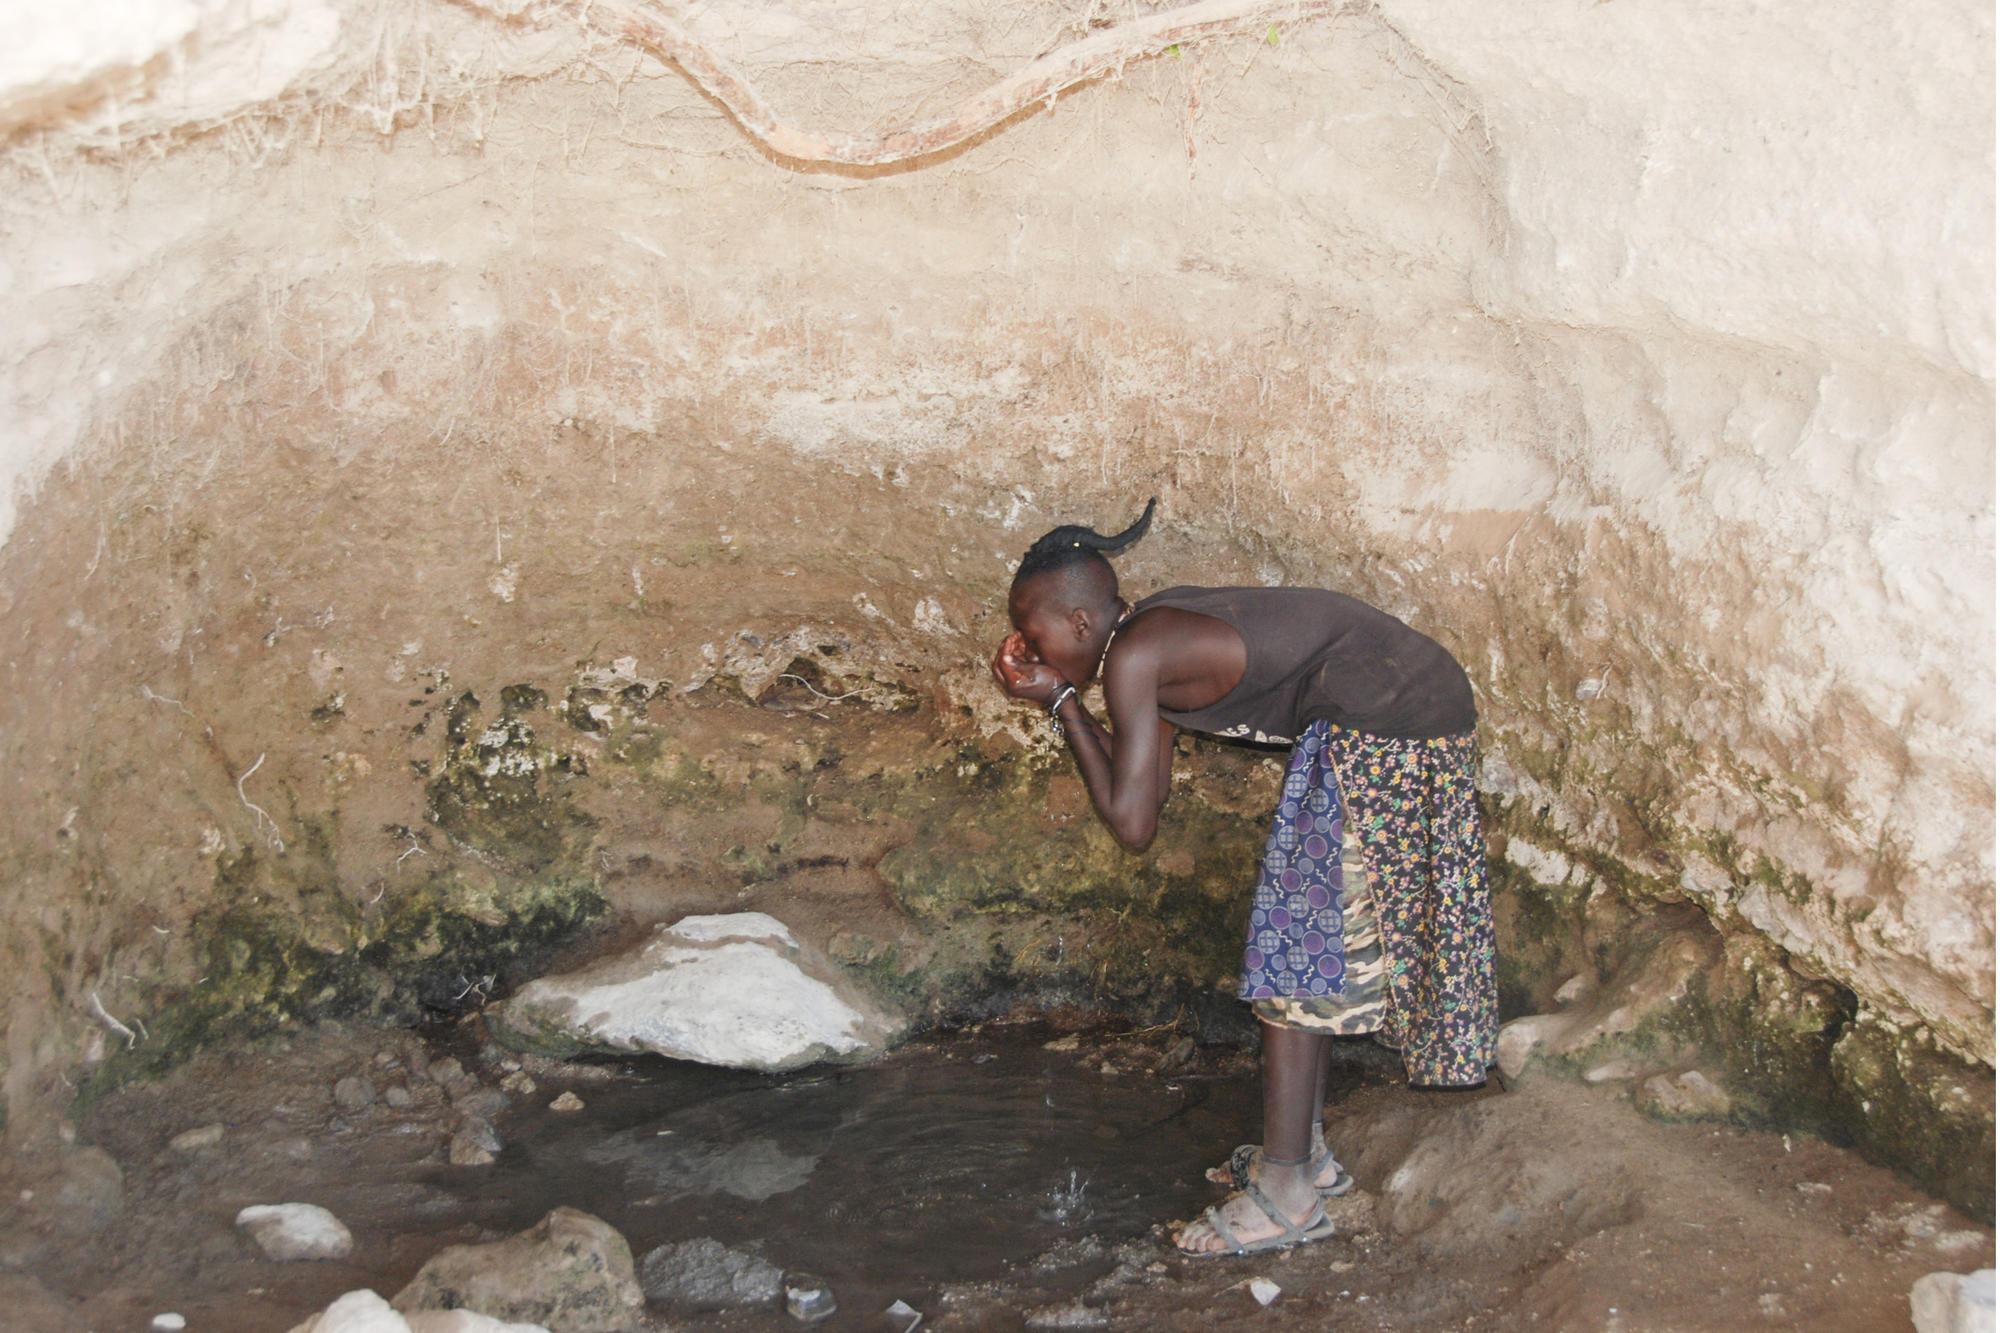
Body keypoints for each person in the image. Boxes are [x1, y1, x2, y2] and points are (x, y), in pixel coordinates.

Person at [990, 499, 1498, 1256]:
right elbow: (1142, 801)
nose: (1029, 650)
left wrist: (1061, 700)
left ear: (1080, 622)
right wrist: (1063, 695)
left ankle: (1288, 1193)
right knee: (1301, 938)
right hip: (1398, 711)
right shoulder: (1147, 646)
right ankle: (1305, 1158)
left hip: (1385, 723)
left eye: (1035, 637)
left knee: (1294, 943)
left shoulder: (1135, 655)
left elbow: (1130, 821)